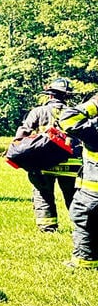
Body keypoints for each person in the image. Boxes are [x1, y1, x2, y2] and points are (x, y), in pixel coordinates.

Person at [14, 78, 82, 232]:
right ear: (66, 97)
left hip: (44, 163)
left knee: (43, 194)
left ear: (50, 95)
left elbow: (24, 131)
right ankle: (82, 227)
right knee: (73, 197)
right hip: (71, 164)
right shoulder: (74, 113)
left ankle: (47, 227)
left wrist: (16, 146)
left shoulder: (38, 111)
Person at [59, 94, 98, 269]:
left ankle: (84, 262)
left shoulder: (94, 129)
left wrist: (93, 105)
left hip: (93, 192)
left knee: (83, 217)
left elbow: (68, 118)